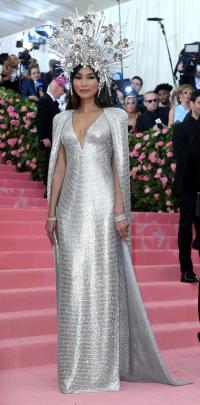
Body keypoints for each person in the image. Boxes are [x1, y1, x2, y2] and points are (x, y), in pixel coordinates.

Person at [46, 9, 187, 394]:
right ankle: (74, 366)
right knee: (73, 283)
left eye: (92, 76)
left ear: (101, 79)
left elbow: (118, 167)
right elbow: (58, 169)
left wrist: (121, 213)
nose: (85, 82)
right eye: (79, 76)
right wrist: (50, 212)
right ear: (70, 80)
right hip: (70, 209)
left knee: (103, 285)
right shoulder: (60, 121)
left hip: (104, 207)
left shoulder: (111, 116)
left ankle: (102, 367)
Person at [172, 90, 200, 283]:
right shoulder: (181, 128)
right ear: (192, 104)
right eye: (199, 102)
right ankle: (186, 269)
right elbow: (183, 158)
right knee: (185, 228)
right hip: (188, 186)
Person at [36, 77, 65, 195]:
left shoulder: (51, 101)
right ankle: (48, 189)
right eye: (62, 89)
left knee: (53, 164)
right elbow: (40, 120)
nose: (63, 92)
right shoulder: (45, 100)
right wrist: (44, 137)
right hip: (49, 139)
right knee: (50, 164)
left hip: (54, 139)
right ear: (56, 87)